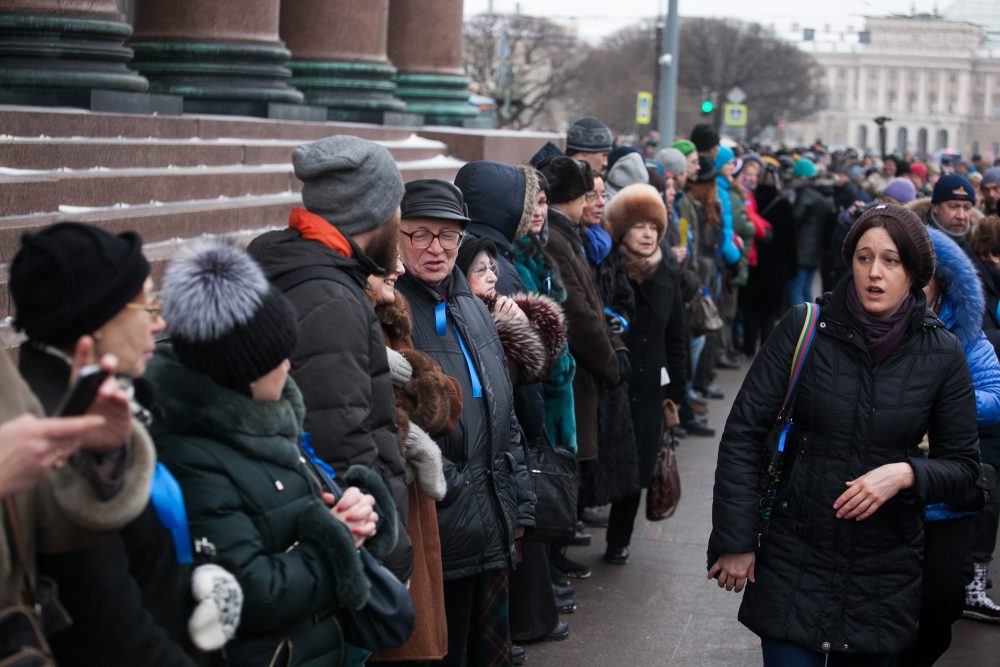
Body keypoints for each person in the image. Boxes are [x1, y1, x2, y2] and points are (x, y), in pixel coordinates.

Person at [708, 204, 980, 666]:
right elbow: (743, 435)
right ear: (849, 262)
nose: (875, 273)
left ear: (914, 272)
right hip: (795, 555)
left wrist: (906, 474)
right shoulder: (804, 328)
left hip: (884, 572)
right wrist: (736, 541)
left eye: (891, 261)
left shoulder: (943, 352)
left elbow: (965, 469)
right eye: (864, 257)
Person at [150, 241, 392, 667]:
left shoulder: (269, 418)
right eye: (277, 355)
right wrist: (337, 541)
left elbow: (295, 514)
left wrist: (351, 509)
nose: (289, 365)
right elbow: (253, 591)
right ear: (242, 369)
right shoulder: (194, 458)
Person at [9, 222, 222, 666]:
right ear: (95, 319)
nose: (160, 321)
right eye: (147, 304)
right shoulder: (59, 432)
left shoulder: (114, 402)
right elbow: (109, 629)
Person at [248, 135, 412, 580]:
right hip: (352, 548)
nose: (399, 219)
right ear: (374, 213)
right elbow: (342, 443)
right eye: (395, 206)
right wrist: (388, 549)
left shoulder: (314, 273)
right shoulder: (330, 300)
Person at [395, 179, 535, 667]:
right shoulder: (393, 314)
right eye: (421, 235)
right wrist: (460, 494)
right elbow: (403, 423)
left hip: (492, 519)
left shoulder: (473, 308)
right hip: (442, 523)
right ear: (398, 236)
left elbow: (504, 410)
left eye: (448, 236)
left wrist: (518, 500)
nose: (436, 248)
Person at [894, 226, 1000, 664]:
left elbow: (994, 400)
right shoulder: (878, 329)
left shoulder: (967, 336)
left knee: (940, 608)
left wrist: (943, 401)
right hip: (887, 493)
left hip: (947, 495)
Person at [365, 256, 454, 664]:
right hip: (383, 503)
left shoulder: (391, 312)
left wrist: (415, 374)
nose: (399, 267)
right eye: (391, 255)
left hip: (413, 503)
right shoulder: (349, 314)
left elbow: (447, 406)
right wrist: (406, 432)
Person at [536, 156, 621, 580]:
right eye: (588, 193)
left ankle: (557, 550)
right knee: (562, 462)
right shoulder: (557, 238)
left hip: (579, 370)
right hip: (573, 371)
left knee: (570, 460)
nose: (594, 201)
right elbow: (579, 313)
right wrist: (610, 363)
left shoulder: (568, 234)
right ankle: (552, 558)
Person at [601, 184, 687, 565]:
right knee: (606, 455)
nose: (648, 233)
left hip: (651, 384)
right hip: (612, 381)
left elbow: (677, 336)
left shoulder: (667, 272)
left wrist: (678, 389)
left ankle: (619, 539)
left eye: (654, 226)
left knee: (638, 464)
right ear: (622, 230)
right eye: (639, 226)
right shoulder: (607, 268)